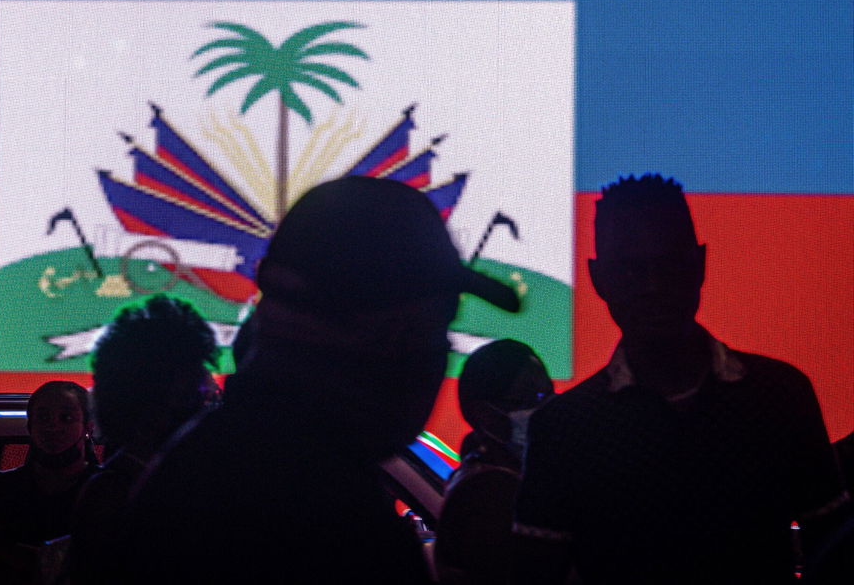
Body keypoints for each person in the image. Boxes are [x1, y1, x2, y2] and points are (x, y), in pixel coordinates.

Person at [114, 176, 522, 584]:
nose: (436, 357)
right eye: (431, 332)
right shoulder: (316, 514)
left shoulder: (218, 470)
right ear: (378, 335)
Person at [511, 174, 850, 584]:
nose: (653, 286)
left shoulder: (566, 426)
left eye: (669, 266)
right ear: (601, 279)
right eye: (633, 270)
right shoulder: (779, 393)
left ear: (699, 266)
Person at [65, 294, 219, 585]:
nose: (209, 389)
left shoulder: (109, 489)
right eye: (200, 380)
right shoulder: (128, 495)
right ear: (177, 390)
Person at [433, 339, 553, 585]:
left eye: (549, 395)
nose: (547, 410)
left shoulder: (497, 473)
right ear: (485, 414)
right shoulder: (489, 493)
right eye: (531, 399)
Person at [0, 381, 96, 582]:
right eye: (43, 417)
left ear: (87, 428)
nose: (53, 426)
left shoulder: (107, 492)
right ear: (30, 426)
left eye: (66, 417)